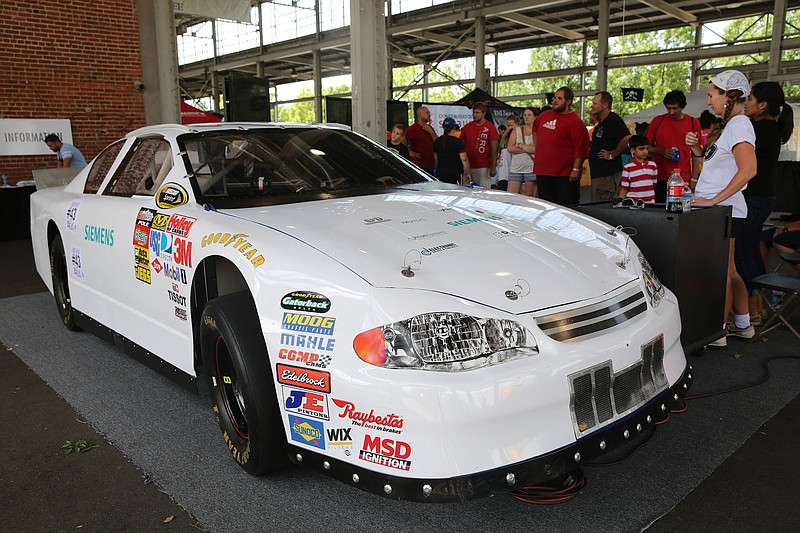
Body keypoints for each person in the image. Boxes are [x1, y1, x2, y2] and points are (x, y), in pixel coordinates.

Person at [686, 70, 757, 348]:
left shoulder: (739, 125)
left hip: (722, 212)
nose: (709, 101)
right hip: (725, 210)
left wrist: (714, 200)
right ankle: (742, 323)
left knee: (721, 273)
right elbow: (719, 166)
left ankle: (716, 331)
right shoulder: (733, 126)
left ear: (728, 95)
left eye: (712, 94)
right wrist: (696, 151)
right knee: (730, 270)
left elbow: (749, 169)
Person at [737, 81, 795, 324]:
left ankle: (753, 308)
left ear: (762, 105)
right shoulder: (765, 128)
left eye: (750, 99)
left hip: (755, 198)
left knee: (743, 252)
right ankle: (756, 306)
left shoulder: (760, 131)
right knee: (749, 249)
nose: (746, 104)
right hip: (759, 197)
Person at [532, 86, 589, 206]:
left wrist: (575, 169)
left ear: (568, 102)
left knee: (567, 208)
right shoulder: (544, 115)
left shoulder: (576, 122)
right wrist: (539, 146)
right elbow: (535, 128)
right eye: (554, 98)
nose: (555, 101)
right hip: (543, 172)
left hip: (564, 175)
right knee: (546, 207)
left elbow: (580, 148)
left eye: (559, 98)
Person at [644, 91, 702, 202]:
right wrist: (661, 151)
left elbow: (697, 153)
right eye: (668, 108)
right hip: (659, 177)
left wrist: (694, 178)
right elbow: (644, 147)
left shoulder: (693, 122)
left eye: (675, 108)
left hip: (683, 178)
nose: (671, 112)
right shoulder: (658, 121)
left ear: (683, 107)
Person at [589, 91, 632, 202]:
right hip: (598, 174)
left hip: (607, 174)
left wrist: (613, 154)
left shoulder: (613, 120)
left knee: (601, 205)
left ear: (605, 105)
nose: (592, 106)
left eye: (594, 103)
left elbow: (627, 137)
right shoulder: (601, 123)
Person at [460, 102, 499, 189]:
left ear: (483, 113)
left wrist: (493, 167)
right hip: (468, 165)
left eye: (477, 113)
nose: (474, 115)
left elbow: (494, 149)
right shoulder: (467, 127)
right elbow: (461, 145)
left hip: (483, 165)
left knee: (483, 191)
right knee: (466, 189)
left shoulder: (490, 127)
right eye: (473, 112)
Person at [617, 135, 658, 203]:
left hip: (650, 203)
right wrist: (620, 200)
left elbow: (653, 183)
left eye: (647, 148)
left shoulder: (653, 165)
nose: (645, 151)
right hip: (633, 204)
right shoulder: (627, 168)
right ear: (633, 150)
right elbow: (624, 188)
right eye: (641, 149)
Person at [507, 107, 537, 197]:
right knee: (511, 195)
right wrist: (528, 148)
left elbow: (537, 149)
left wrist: (521, 145)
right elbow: (510, 148)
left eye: (529, 115)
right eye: (525, 115)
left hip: (531, 167)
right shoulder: (517, 130)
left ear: (535, 117)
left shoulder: (537, 131)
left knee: (529, 195)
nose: (526, 117)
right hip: (516, 167)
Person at [433, 117, 469, 185]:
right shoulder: (458, 142)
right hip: (455, 173)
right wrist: (468, 172)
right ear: (454, 128)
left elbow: (436, 159)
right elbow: (464, 159)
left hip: (441, 173)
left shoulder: (437, 142)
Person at [405, 106, 437, 175]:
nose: (429, 114)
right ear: (420, 114)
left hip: (431, 165)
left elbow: (437, 142)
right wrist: (410, 152)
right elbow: (402, 139)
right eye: (427, 113)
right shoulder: (413, 129)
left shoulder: (429, 128)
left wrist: (431, 132)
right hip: (419, 166)